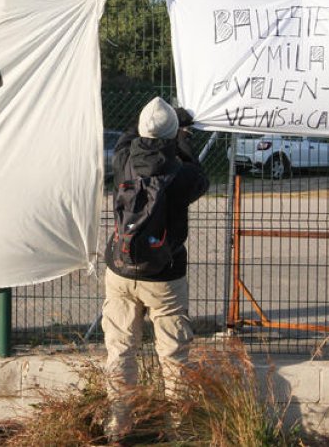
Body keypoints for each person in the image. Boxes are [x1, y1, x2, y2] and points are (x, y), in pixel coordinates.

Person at [102, 97, 208, 443]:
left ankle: (121, 425)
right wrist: (183, 139)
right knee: (175, 355)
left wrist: (160, 123)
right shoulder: (182, 174)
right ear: (173, 134)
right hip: (165, 276)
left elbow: (128, 136)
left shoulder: (122, 159)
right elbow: (200, 178)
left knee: (120, 349)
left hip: (120, 268)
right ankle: (180, 430)